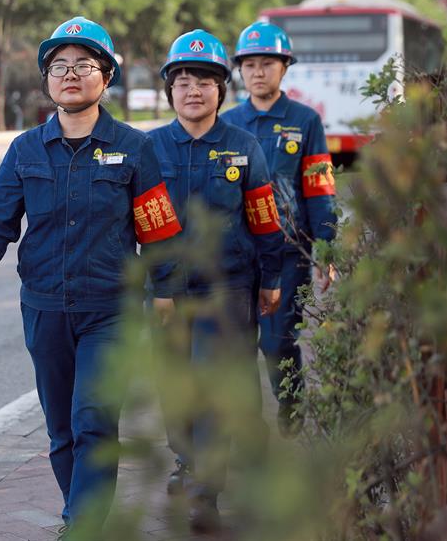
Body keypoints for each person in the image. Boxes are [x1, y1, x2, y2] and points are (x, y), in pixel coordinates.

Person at [0, 16, 181, 534]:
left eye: (84, 65)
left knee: (94, 423)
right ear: (47, 80)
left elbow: (158, 227)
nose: (71, 74)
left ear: (106, 77)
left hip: (112, 310)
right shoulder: (25, 150)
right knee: (62, 430)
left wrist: (166, 289)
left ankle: (83, 526)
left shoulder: (136, 147)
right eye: (59, 66)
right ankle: (77, 512)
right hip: (44, 308)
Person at [147, 29, 285, 532]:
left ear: (221, 90)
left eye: (204, 81)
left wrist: (271, 276)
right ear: (170, 91)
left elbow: (265, 217)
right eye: (182, 80)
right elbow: (140, 224)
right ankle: (186, 460)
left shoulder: (244, 148)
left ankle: (207, 488)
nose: (193, 90)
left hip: (228, 289)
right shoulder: (151, 148)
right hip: (167, 293)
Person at [220, 21, 338, 437]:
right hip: (239, 253)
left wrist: (327, 247)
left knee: (276, 342)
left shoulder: (305, 121)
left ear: (284, 67)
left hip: (288, 250)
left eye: (267, 63)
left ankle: (290, 411)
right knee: (237, 347)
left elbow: (319, 185)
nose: (257, 72)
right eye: (249, 64)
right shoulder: (229, 122)